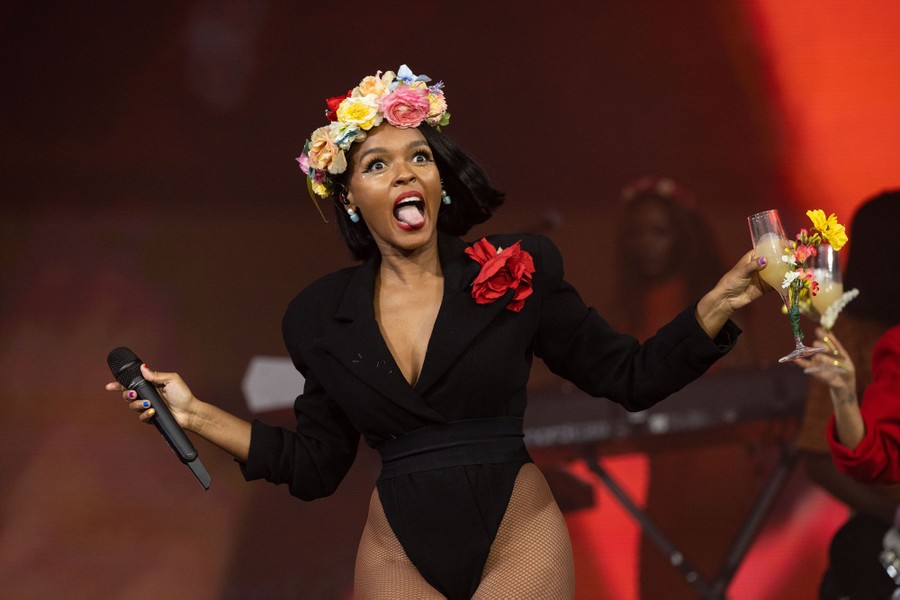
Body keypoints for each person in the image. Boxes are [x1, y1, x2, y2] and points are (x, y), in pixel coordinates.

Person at [106, 64, 769, 599]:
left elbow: (630, 377)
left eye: (418, 156)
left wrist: (717, 304)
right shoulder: (320, 316)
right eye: (376, 164)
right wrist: (195, 415)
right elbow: (315, 465)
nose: (403, 172)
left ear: (439, 181)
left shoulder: (515, 268)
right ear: (349, 199)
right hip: (399, 552)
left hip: (516, 531)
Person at [607, 177, 759, 599]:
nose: (646, 243)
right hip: (666, 468)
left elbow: (744, 384)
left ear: (684, 236)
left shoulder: (714, 300)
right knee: (662, 581)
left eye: (659, 231)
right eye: (637, 232)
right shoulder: (636, 306)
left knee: (698, 577)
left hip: (713, 467)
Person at [793, 191, 900, 599]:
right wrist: (894, 513)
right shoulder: (849, 335)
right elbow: (820, 457)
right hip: (884, 528)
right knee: (854, 549)